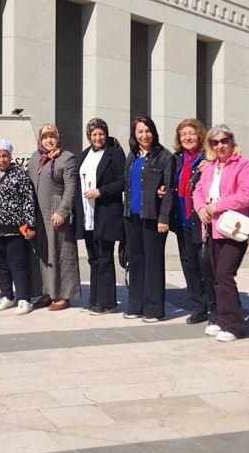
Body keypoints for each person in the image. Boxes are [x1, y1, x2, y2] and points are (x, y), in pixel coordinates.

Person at [192, 125, 249, 343]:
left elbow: (247, 195)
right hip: (212, 228)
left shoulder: (244, 165)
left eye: (224, 140)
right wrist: (201, 208)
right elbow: (198, 191)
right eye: (215, 142)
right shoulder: (210, 167)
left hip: (233, 229)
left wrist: (217, 206)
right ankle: (222, 318)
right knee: (214, 275)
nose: (220, 145)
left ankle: (234, 325)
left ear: (231, 141)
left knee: (224, 274)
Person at [122, 116, 174, 322]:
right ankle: (136, 305)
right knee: (135, 262)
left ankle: (154, 309)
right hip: (132, 216)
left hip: (153, 217)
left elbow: (169, 190)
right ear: (134, 135)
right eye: (140, 131)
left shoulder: (164, 157)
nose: (144, 135)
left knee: (153, 263)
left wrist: (164, 218)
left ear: (153, 132)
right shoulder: (132, 156)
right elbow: (126, 184)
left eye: (147, 131)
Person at [74, 118, 125, 315]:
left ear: (106, 134)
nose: (98, 137)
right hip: (87, 214)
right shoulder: (85, 154)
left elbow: (123, 182)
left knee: (104, 257)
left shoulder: (114, 153)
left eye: (101, 133)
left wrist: (101, 191)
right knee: (93, 258)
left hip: (106, 212)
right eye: (94, 134)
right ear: (89, 136)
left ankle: (107, 302)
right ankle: (94, 299)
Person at [27, 124, 79, 311]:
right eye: (45, 137)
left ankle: (64, 295)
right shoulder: (35, 158)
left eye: (52, 136)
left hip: (56, 213)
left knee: (62, 253)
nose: (49, 140)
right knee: (43, 254)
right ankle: (47, 292)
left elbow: (71, 188)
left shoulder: (67, 158)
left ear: (58, 138)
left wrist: (63, 211)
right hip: (38, 215)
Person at [0, 140, 39, 315]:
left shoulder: (19, 175)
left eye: (5, 156)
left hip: (16, 229)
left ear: (10, 156)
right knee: (1, 264)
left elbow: (28, 201)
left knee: (18, 264)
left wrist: (29, 224)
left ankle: (24, 298)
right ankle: (7, 296)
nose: (2, 160)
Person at [171, 118, 215, 325]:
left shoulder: (208, 158)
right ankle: (198, 306)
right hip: (181, 220)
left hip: (201, 221)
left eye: (191, 133)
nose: (187, 137)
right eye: (183, 134)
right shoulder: (177, 159)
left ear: (199, 135)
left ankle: (213, 306)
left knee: (205, 264)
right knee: (189, 264)